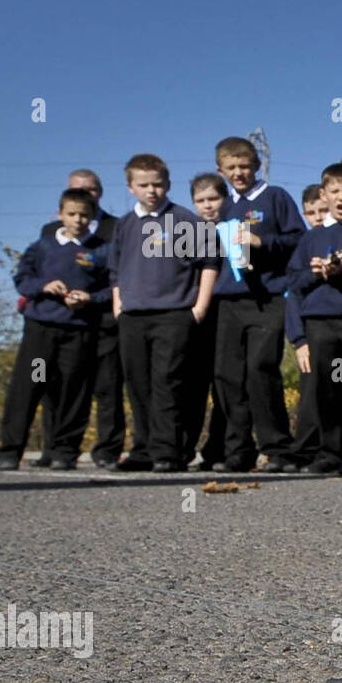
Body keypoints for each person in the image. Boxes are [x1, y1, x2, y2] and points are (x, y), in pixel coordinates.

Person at [110, 154, 219, 472]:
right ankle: (143, 450)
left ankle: (168, 452)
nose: (151, 190)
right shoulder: (125, 225)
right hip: (133, 315)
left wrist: (199, 308)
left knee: (168, 383)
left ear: (168, 184)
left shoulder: (185, 220)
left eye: (157, 184)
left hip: (173, 314)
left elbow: (209, 263)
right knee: (138, 384)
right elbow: (114, 270)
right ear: (131, 187)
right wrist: (119, 305)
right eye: (143, 184)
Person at [0, 190, 109, 471]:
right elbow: (22, 278)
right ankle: (11, 449)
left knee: (73, 391)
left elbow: (111, 288)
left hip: (79, 331)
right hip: (42, 331)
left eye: (84, 215)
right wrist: (42, 287)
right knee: (30, 387)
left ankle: (64, 451)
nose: (78, 220)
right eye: (72, 214)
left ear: (92, 216)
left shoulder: (100, 250)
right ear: (60, 214)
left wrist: (89, 298)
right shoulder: (43, 247)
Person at [213, 136, 303, 472]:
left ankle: (278, 449)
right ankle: (238, 450)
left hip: (266, 299)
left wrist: (261, 241)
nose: (238, 173)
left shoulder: (275, 197)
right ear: (220, 169)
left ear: (257, 166)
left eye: (244, 166)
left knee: (260, 372)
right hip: (229, 300)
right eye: (231, 168)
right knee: (228, 375)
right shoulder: (223, 206)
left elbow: (298, 240)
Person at [286, 163, 342, 474]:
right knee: (328, 388)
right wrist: (315, 274)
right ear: (323, 194)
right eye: (335, 191)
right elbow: (294, 286)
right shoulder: (312, 238)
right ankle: (331, 452)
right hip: (321, 324)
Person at [33, 169, 124, 470]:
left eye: (92, 189)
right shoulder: (50, 231)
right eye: (77, 189)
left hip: (104, 322)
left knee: (107, 387)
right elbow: (40, 273)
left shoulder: (116, 228)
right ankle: (55, 448)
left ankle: (107, 451)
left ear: (100, 192)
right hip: (64, 324)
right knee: (53, 385)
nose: (86, 194)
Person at [187, 173, 231, 470]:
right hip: (196, 316)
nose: (207, 206)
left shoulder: (234, 229)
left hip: (228, 313)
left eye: (213, 198)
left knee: (226, 384)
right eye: (200, 201)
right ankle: (183, 445)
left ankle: (220, 447)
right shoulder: (188, 232)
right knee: (192, 384)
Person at [286, 185, 327, 468]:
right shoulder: (305, 243)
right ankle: (305, 449)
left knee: (340, 385)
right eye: (311, 213)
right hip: (311, 332)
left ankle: (337, 448)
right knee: (311, 390)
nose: (317, 217)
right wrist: (299, 339)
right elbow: (293, 291)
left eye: (322, 211)